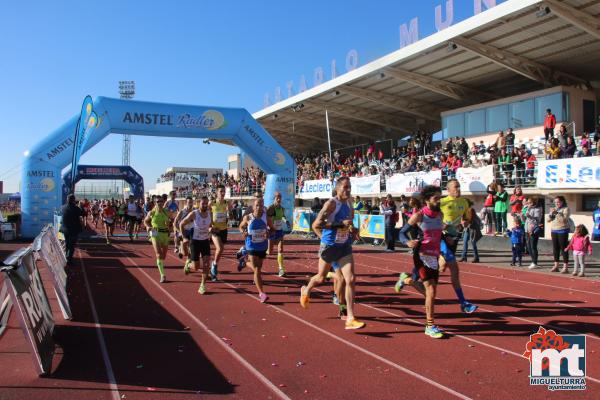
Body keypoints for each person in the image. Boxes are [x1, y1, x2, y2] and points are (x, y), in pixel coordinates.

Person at [300, 177, 365, 330]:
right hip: (329, 246)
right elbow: (316, 224)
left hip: (344, 246)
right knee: (321, 278)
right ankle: (306, 289)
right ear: (337, 189)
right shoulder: (331, 204)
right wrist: (339, 225)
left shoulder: (350, 204)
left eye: (349, 187)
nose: (348, 190)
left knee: (350, 278)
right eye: (345, 188)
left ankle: (350, 317)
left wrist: (354, 231)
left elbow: (349, 224)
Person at [394, 185, 445, 339]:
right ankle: (430, 326)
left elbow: (437, 235)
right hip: (421, 255)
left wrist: (445, 239)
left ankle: (407, 280)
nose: (439, 201)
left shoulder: (440, 215)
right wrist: (407, 242)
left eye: (440, 198)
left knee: (430, 293)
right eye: (436, 198)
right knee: (431, 291)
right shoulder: (419, 215)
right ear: (427, 200)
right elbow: (402, 233)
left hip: (434, 256)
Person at [439, 179, 478, 314]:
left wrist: (464, 223)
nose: (458, 189)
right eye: (455, 187)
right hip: (441, 237)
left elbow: (466, 219)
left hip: (454, 237)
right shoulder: (442, 202)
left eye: (459, 187)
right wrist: (441, 225)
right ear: (448, 190)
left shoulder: (464, 202)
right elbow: (429, 217)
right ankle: (463, 303)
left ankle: (410, 278)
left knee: (441, 268)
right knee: (455, 270)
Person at [239, 197, 275, 303]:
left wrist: (269, 232)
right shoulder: (248, 217)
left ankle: (244, 261)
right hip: (251, 245)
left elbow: (272, 229)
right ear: (253, 207)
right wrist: (243, 232)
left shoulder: (266, 218)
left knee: (257, 268)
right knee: (257, 269)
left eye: (261, 205)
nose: (259, 207)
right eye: (257, 205)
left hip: (262, 246)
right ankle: (262, 293)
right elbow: (241, 227)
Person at [179, 196, 213, 294]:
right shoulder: (194, 214)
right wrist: (184, 237)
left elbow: (210, 226)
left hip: (205, 241)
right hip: (195, 241)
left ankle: (202, 285)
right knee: (196, 267)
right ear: (199, 204)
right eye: (203, 203)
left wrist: (211, 229)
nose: (205, 205)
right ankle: (188, 265)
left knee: (206, 263)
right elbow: (181, 224)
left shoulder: (209, 213)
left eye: (207, 203)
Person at [144, 196, 170, 283]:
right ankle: (162, 275)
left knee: (164, 256)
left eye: (161, 201)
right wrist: (148, 227)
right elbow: (145, 221)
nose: (160, 203)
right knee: (159, 254)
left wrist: (168, 224)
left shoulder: (166, 212)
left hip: (165, 234)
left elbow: (171, 221)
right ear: (155, 202)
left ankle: (160, 264)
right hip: (155, 233)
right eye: (158, 201)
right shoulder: (152, 212)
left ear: (163, 202)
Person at [209, 185, 230, 281]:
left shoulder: (226, 203)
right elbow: (207, 215)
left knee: (220, 250)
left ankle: (214, 263)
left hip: (224, 229)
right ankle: (214, 266)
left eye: (224, 191)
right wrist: (210, 226)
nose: (222, 193)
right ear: (217, 192)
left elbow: (230, 217)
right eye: (221, 191)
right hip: (215, 230)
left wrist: (230, 214)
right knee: (220, 248)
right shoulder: (212, 203)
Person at [266, 191, 288, 277]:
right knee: (269, 252)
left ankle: (281, 269)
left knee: (280, 249)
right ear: (274, 198)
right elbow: (267, 220)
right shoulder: (271, 208)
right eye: (277, 198)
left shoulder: (282, 209)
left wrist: (286, 221)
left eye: (280, 198)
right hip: (272, 231)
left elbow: (282, 216)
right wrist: (270, 228)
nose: (279, 199)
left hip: (279, 231)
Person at [548, 196, 570, 273]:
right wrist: (551, 215)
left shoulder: (566, 209)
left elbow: (564, 220)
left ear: (562, 202)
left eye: (558, 202)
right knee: (555, 248)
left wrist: (557, 213)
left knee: (563, 248)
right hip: (554, 230)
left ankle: (565, 267)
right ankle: (556, 265)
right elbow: (548, 220)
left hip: (562, 230)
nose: (557, 203)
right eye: (555, 202)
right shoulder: (554, 209)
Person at [60, 194, 84, 265]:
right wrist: (81, 206)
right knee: (72, 245)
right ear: (73, 200)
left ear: (67, 199)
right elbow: (83, 213)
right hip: (73, 230)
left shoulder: (63, 207)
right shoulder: (76, 208)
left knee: (67, 244)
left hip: (65, 229)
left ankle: (66, 257)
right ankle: (69, 260)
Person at [173, 196, 195, 273]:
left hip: (192, 232)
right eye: (189, 202)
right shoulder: (182, 212)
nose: (190, 204)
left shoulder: (194, 211)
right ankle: (180, 250)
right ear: (186, 203)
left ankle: (187, 265)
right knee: (185, 253)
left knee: (191, 250)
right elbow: (175, 223)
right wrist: (179, 231)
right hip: (184, 232)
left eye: (191, 202)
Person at [524, 197, 542, 269]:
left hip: (533, 229)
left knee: (533, 246)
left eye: (530, 202)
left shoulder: (537, 209)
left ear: (534, 202)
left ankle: (535, 262)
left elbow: (537, 220)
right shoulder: (528, 208)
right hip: (527, 228)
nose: (528, 204)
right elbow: (525, 219)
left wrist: (530, 216)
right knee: (528, 246)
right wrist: (521, 216)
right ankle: (532, 261)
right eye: (527, 202)